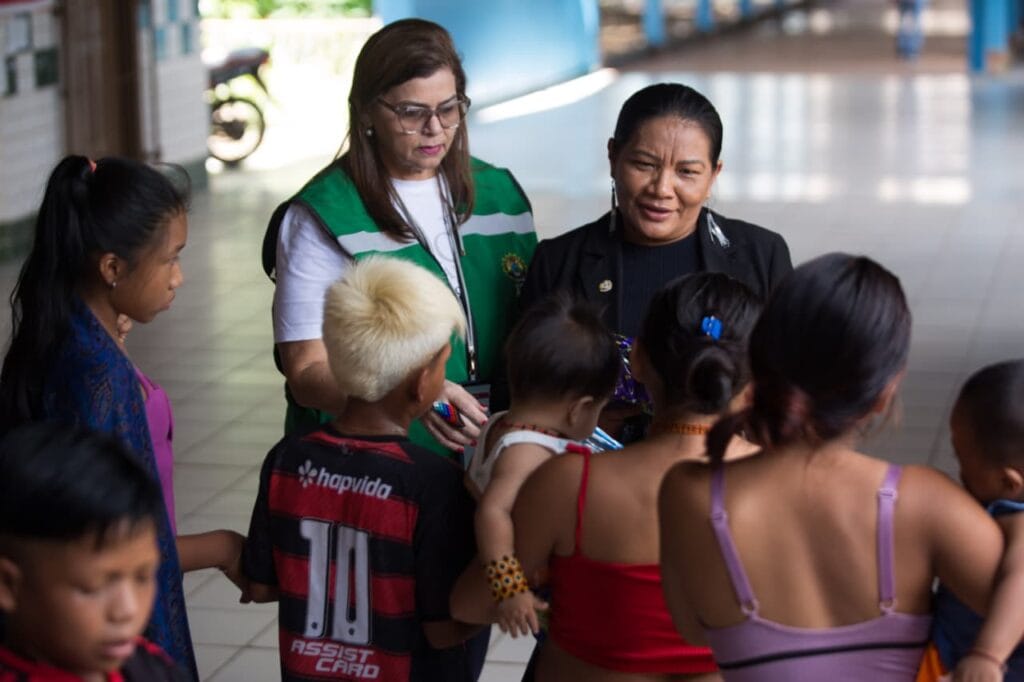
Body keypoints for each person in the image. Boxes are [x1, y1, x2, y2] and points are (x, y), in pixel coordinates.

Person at [659, 253, 1004, 681]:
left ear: (758, 363)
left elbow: (693, 630)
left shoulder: (688, 495)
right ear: (885, 390)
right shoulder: (925, 504)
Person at [0, 155, 247, 678]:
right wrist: (222, 547)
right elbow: (102, 549)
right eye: (170, 259)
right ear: (112, 268)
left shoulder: (76, 330)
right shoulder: (95, 379)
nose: (179, 277)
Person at [454, 272, 763, 682]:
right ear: (757, 380)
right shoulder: (787, 488)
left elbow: (468, 605)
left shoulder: (569, 483)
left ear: (634, 359)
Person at [263, 18, 537, 457]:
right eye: (412, 112)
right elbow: (307, 371)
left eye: (449, 108)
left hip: (488, 452)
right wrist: (408, 393)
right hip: (374, 461)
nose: (435, 128)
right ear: (368, 110)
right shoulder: (324, 214)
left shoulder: (500, 195)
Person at [243, 256, 486, 682]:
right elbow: (443, 630)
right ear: (421, 381)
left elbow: (262, 586)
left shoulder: (287, 458)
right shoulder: (433, 483)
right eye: (444, 361)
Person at [505, 82, 791, 442]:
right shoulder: (559, 261)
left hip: (725, 479)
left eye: (687, 172)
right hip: (594, 480)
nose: (661, 188)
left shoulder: (761, 255)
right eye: (644, 164)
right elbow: (524, 401)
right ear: (613, 157)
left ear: (713, 175)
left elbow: (787, 389)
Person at [464, 294, 620, 638]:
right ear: (579, 409)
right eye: (599, 410)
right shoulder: (528, 451)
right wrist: (509, 587)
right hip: (528, 583)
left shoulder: (501, 424)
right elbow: (493, 511)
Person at [0, 423, 189, 681]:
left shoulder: (150, 669)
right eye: (93, 587)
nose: (127, 610)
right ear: (8, 584)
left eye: (143, 577)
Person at [924, 360, 1024, 681]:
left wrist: (987, 655)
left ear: (1009, 483)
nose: (959, 472)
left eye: (962, 458)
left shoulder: (1014, 514)